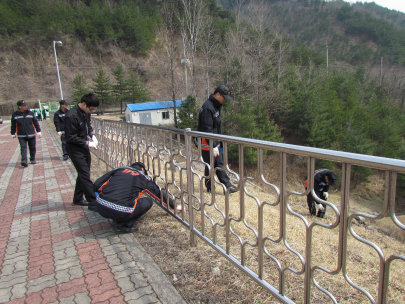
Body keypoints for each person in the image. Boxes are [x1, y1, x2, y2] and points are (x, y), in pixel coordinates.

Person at [94, 162, 179, 233]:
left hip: (100, 207)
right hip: (121, 211)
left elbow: (96, 184)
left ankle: (116, 217)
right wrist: (174, 206)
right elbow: (159, 194)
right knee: (148, 201)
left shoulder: (119, 170)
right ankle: (124, 225)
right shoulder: (143, 177)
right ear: (142, 170)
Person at [197, 85, 237, 193]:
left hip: (214, 141)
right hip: (207, 141)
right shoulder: (207, 107)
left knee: (215, 163)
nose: (224, 100)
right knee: (212, 163)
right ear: (218, 94)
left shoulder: (216, 106)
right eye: (223, 97)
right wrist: (213, 145)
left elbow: (216, 126)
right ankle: (224, 186)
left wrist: (218, 143)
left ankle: (215, 186)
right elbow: (206, 129)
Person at [65, 93, 99, 211]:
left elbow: (88, 126)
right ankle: (93, 202)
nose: (92, 111)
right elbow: (70, 137)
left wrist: (92, 136)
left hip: (83, 147)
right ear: (84, 104)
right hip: (74, 149)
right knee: (85, 175)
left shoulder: (85, 113)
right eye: (91, 109)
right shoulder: (71, 116)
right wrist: (87, 143)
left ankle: (77, 198)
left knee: (84, 173)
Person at [10, 100, 42, 167]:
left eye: (25, 105)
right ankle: (24, 160)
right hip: (21, 135)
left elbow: (35, 123)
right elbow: (13, 124)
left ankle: (32, 159)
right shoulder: (15, 114)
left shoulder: (30, 113)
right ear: (19, 106)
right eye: (23, 105)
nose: (25, 106)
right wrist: (13, 133)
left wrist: (38, 131)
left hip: (31, 134)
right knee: (23, 147)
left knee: (32, 147)